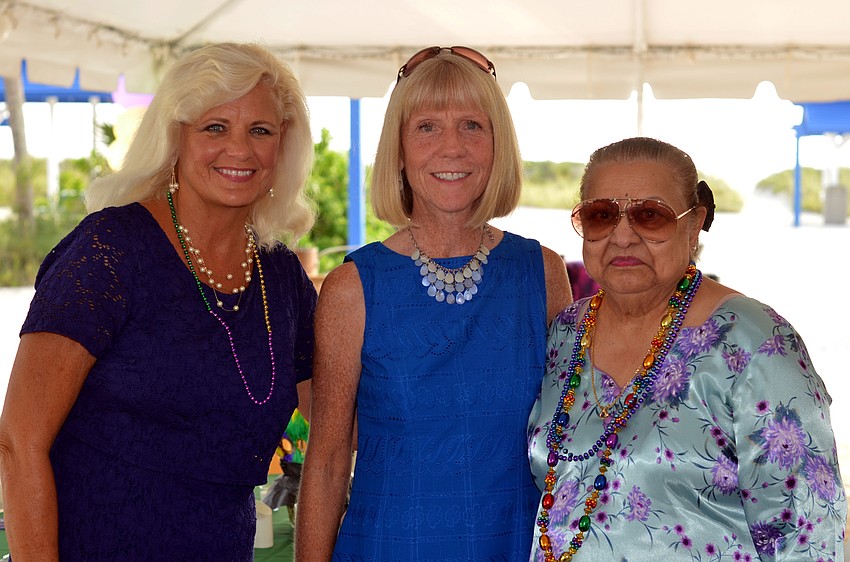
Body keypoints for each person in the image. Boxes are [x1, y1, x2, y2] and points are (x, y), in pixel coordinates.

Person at [0, 42, 318, 560]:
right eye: (215, 127)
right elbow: (18, 440)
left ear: (283, 146)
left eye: (260, 130)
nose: (239, 149)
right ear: (174, 138)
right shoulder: (109, 250)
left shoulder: (282, 277)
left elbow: (337, 427)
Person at [295, 46, 572, 560]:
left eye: (472, 125)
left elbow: (568, 441)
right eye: (427, 127)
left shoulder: (544, 272)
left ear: (498, 145)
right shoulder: (352, 288)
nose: (453, 148)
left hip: (514, 546)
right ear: (398, 148)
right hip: (386, 546)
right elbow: (328, 460)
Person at [528, 137, 847, 561]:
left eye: (650, 216)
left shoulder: (755, 342)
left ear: (694, 224)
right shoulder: (566, 333)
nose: (623, 237)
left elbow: (809, 536)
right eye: (601, 215)